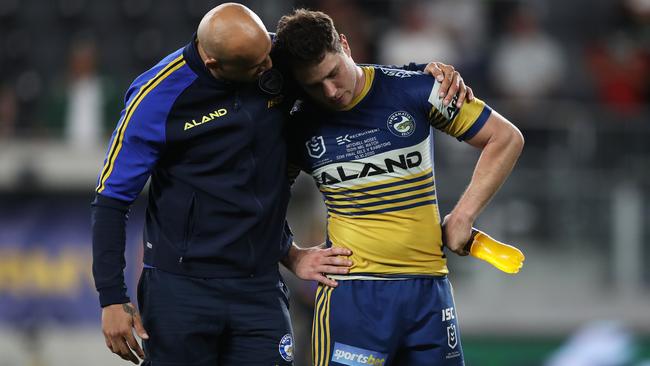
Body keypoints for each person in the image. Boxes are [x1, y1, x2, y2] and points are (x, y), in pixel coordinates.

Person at [92, 3, 472, 365]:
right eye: (259, 65)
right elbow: (111, 201)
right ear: (214, 63)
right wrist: (112, 299)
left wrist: (423, 76)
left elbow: (347, 73)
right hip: (181, 287)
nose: (272, 66)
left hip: (259, 286)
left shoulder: (272, 53)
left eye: (270, 52)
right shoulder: (156, 97)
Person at [274, 9, 524, 365]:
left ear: (345, 45)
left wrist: (463, 216)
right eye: (314, 85)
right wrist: (292, 255)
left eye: (333, 73)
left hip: (429, 292)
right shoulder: (298, 126)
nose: (329, 91)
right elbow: (258, 198)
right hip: (354, 294)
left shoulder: (417, 88)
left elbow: (505, 138)